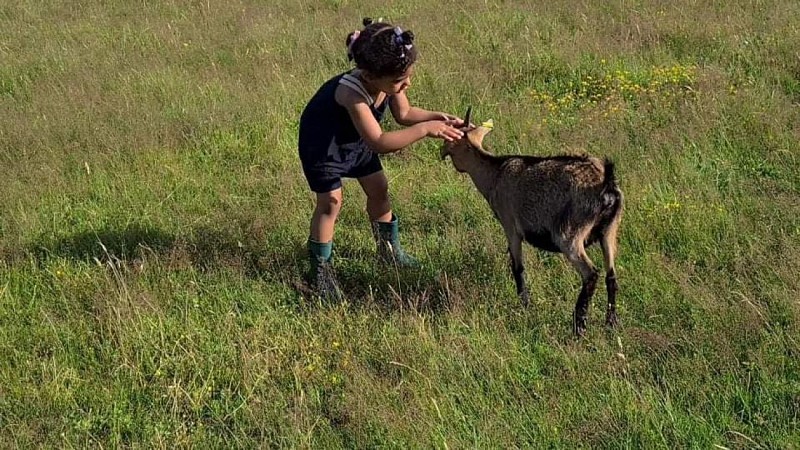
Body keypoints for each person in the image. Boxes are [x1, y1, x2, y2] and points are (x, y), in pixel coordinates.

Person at [298, 17, 464, 300]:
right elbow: (379, 141)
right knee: (331, 202)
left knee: (379, 189)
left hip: (356, 141)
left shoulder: (387, 82)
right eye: (400, 80)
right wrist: (425, 130)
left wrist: (438, 118)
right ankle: (321, 271)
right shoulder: (352, 93)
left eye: (408, 76)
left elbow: (405, 115)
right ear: (370, 76)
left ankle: (388, 252)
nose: (406, 84)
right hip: (324, 147)